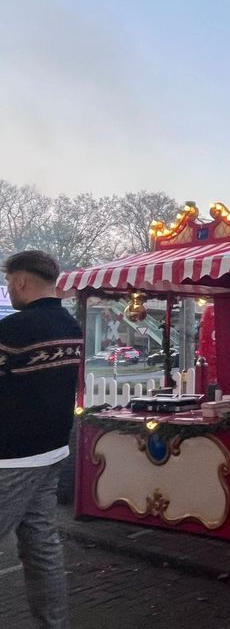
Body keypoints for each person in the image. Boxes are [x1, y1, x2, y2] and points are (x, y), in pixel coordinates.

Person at [0, 250, 82, 628]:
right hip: (51, 452)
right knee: (41, 547)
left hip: (11, 458)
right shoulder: (70, 324)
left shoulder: (14, 330)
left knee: (40, 545)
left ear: (20, 281)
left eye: (8, 282)